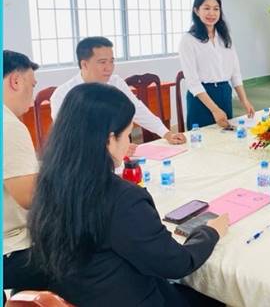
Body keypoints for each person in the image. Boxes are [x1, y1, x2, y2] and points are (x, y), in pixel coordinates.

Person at [28, 83, 229, 306]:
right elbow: (176, 264)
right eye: (128, 134)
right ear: (109, 139)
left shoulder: (49, 182)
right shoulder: (122, 198)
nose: (130, 143)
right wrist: (209, 232)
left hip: (76, 295)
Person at [50, 37, 185, 145]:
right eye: (102, 62)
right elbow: (70, 137)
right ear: (84, 64)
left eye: (111, 61)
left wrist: (166, 133)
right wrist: (110, 148)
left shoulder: (115, 82)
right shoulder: (63, 94)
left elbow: (136, 109)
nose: (109, 68)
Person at [3, 50, 48, 293]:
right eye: (32, 86)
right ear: (16, 81)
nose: (32, 101)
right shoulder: (9, 125)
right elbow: (29, 197)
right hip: (12, 250)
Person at [179, 0, 254, 128]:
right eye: (206, 8)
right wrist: (215, 110)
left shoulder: (225, 37)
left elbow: (235, 73)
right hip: (201, 98)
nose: (211, 13)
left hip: (224, 93)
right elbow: (192, 82)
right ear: (196, 11)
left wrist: (244, 100)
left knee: (226, 137)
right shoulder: (188, 40)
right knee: (202, 138)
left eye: (216, 9)